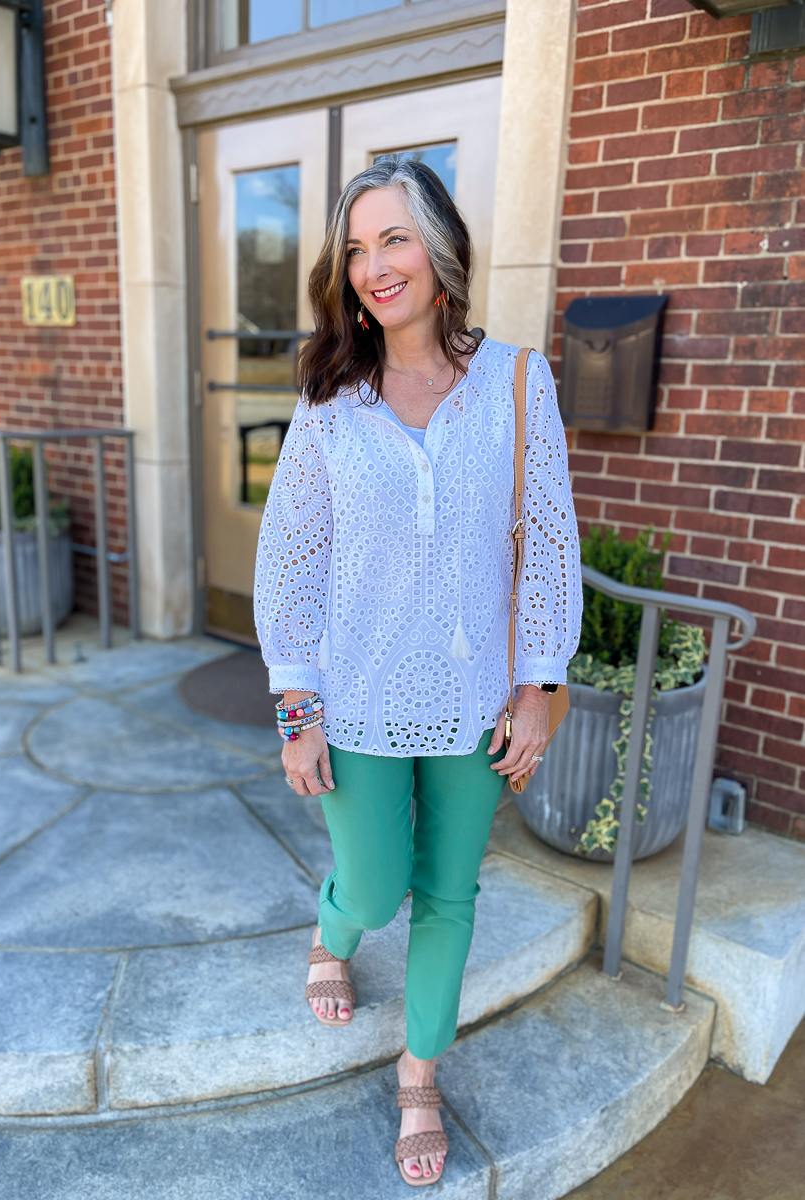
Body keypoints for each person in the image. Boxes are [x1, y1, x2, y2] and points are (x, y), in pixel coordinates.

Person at [253, 156, 581, 1186]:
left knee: (448, 892)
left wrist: (542, 685)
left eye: (393, 239)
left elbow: (549, 542)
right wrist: (295, 707)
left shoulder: (520, 381)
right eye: (355, 248)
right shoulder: (330, 399)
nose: (373, 266)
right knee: (380, 880)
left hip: (479, 696)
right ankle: (334, 924)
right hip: (353, 696)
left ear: (441, 249)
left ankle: (419, 1072)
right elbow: (292, 559)